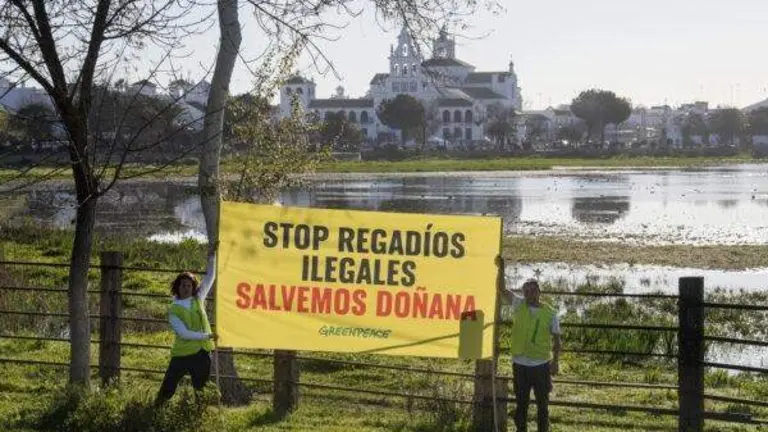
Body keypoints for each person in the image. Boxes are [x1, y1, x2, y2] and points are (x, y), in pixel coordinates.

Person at [497, 259, 561, 432]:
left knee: (542, 406)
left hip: (541, 365)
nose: (529, 294)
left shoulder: (550, 313)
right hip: (520, 365)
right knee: (521, 405)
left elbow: (557, 340)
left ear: (539, 292)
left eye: (533, 291)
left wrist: (555, 362)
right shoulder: (519, 304)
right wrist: (501, 268)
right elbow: (502, 290)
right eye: (526, 291)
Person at [155, 248, 217, 404]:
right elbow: (184, 333)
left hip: (202, 353)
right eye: (183, 285)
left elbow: (210, 277)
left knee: (201, 390)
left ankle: (198, 414)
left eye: (189, 285)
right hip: (182, 354)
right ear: (177, 287)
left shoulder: (198, 298)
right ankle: (155, 411)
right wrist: (207, 336)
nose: (186, 288)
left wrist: (212, 255)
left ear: (193, 287)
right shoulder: (174, 309)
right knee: (167, 388)